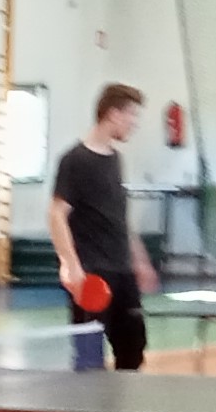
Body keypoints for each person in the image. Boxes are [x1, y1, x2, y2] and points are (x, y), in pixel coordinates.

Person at [49, 83, 159, 369]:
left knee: (132, 352)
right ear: (113, 114)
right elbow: (56, 214)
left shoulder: (116, 159)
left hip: (122, 273)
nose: (134, 123)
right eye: (131, 115)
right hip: (91, 274)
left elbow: (119, 217)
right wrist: (71, 265)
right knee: (89, 359)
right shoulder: (75, 160)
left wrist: (140, 260)